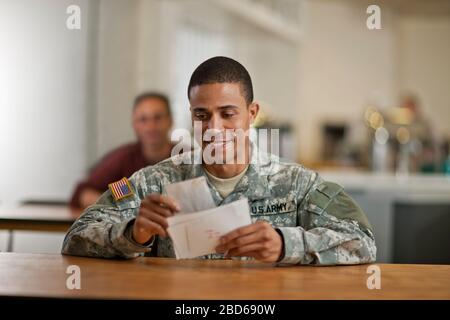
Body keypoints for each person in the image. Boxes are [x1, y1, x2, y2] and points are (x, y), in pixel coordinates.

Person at [62, 57, 376, 265]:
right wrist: (134, 233)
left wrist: (286, 244)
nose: (214, 128)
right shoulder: (154, 182)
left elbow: (362, 242)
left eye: (228, 114)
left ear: (251, 114)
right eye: (202, 115)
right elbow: (76, 238)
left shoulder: (296, 184)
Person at [70, 92, 174, 209]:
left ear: (170, 120)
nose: (151, 127)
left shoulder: (187, 157)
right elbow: (84, 193)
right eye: (143, 120)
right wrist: (123, 208)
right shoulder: (124, 158)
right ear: (134, 124)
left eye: (158, 118)